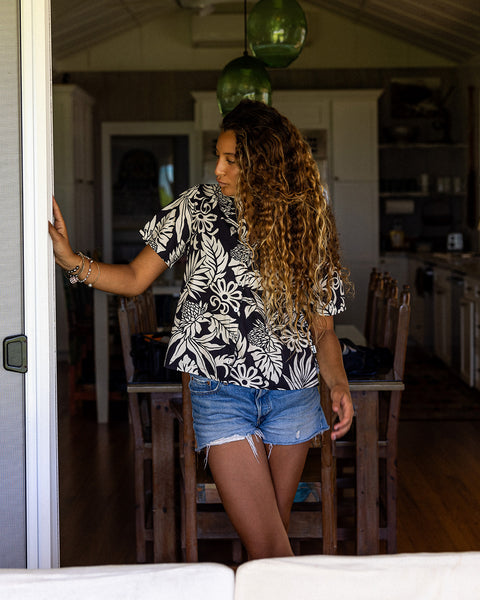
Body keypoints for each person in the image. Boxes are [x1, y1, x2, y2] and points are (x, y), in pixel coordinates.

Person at [49, 99, 354, 561]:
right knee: (270, 545)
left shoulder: (305, 222)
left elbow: (323, 330)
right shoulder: (197, 207)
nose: (219, 168)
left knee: (270, 540)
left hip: (292, 394)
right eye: (220, 155)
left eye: (231, 159)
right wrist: (74, 263)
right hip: (220, 391)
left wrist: (339, 384)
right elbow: (134, 280)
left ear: (263, 164)